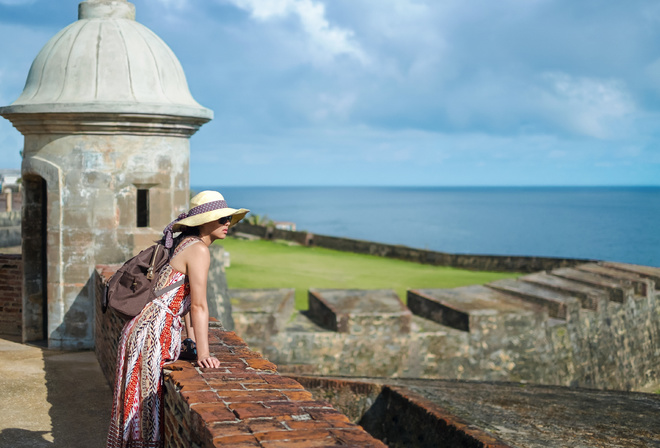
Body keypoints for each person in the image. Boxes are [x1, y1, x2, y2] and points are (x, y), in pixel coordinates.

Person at [106, 190, 249, 448]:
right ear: (204, 222)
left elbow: (183, 305)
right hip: (152, 334)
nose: (227, 224)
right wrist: (205, 353)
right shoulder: (199, 250)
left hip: (143, 330)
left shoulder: (184, 243)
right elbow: (199, 306)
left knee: (134, 412)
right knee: (145, 413)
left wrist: (191, 341)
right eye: (221, 219)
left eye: (228, 219)